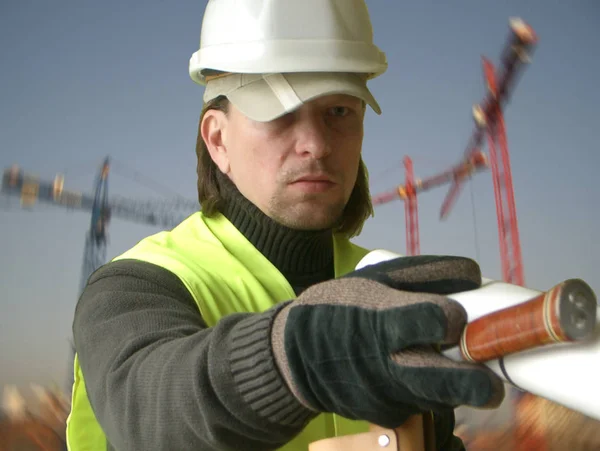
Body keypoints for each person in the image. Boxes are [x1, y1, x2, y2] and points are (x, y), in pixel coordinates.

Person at [66, 1, 505, 450]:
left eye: (338, 111)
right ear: (218, 139)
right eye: (279, 113)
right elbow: (152, 409)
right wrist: (297, 357)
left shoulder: (381, 279)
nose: (316, 144)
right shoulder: (134, 285)